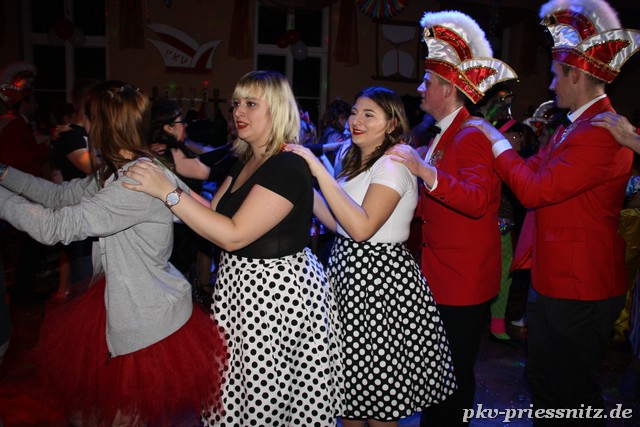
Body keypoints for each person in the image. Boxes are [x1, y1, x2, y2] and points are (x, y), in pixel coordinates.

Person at [0, 80, 226, 426]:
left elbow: (55, 227)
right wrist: (3, 174)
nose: (82, 124)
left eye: (88, 117)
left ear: (103, 125)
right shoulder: (122, 170)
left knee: (122, 417)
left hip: (145, 319)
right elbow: (59, 197)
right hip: (126, 302)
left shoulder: (133, 183)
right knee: (94, 414)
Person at [123, 70, 336, 426]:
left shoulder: (287, 165)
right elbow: (212, 213)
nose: (238, 111)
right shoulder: (247, 159)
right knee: (237, 395)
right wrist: (162, 184)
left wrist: (167, 192)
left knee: (266, 401)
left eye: (251, 104)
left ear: (277, 109)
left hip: (275, 297)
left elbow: (233, 235)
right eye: (236, 103)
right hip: (241, 290)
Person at [466, 1, 638, 424]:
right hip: (556, 276)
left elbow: (534, 191)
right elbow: (531, 171)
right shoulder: (575, 125)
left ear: (576, 75)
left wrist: (495, 140)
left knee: (571, 392)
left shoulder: (600, 131)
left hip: (581, 282)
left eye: (556, 74)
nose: (550, 84)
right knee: (545, 381)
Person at [285, 86, 456, 427]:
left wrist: (317, 170)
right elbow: (339, 223)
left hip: (380, 284)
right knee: (349, 399)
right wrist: (304, 183)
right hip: (348, 277)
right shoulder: (356, 160)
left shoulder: (393, 164)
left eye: (368, 114)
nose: (356, 121)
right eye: (354, 112)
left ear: (392, 123)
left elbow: (362, 229)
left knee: (379, 401)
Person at [387, 10, 517, 427]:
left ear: (446, 88)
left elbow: (478, 200)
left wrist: (424, 171)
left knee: (453, 378)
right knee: (439, 375)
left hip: (462, 281)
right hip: (442, 274)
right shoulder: (444, 133)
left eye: (427, 82)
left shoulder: (472, 133)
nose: (420, 88)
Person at [0, 62, 51, 302]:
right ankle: (24, 291)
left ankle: (24, 288)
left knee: (29, 243)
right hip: (22, 191)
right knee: (29, 243)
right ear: (23, 103)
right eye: (33, 101)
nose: (36, 105)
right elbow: (20, 160)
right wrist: (45, 147)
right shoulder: (15, 124)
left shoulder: (17, 123)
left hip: (24, 189)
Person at [49, 78, 100, 301]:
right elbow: (92, 168)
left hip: (96, 215)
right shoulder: (69, 135)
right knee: (83, 291)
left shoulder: (93, 133)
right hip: (79, 216)